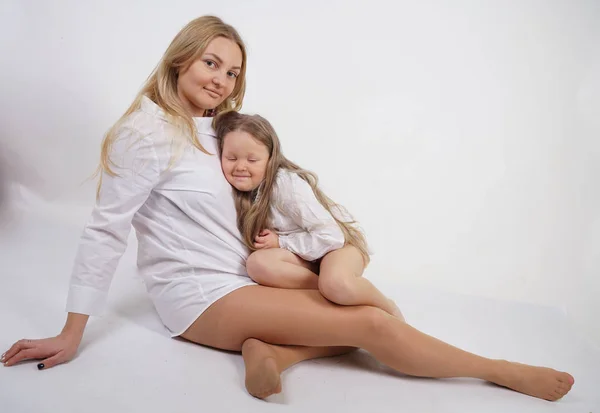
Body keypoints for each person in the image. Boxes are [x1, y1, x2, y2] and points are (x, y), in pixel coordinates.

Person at [1, 15, 574, 402]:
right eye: (211, 64)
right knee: (374, 322)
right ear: (179, 60)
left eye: (232, 72)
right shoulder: (145, 133)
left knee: (346, 304)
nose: (222, 80)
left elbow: (271, 188)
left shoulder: (218, 129)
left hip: (248, 279)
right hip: (200, 295)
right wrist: (71, 330)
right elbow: (105, 230)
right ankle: (501, 372)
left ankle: (278, 350)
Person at [213, 111, 404, 319]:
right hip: (308, 256)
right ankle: (333, 298)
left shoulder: (284, 184)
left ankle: (387, 308)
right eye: (231, 158)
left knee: (337, 283)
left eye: (252, 160)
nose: (241, 166)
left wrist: (281, 243)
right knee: (258, 264)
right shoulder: (239, 193)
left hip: (339, 246)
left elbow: (331, 236)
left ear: (270, 160)